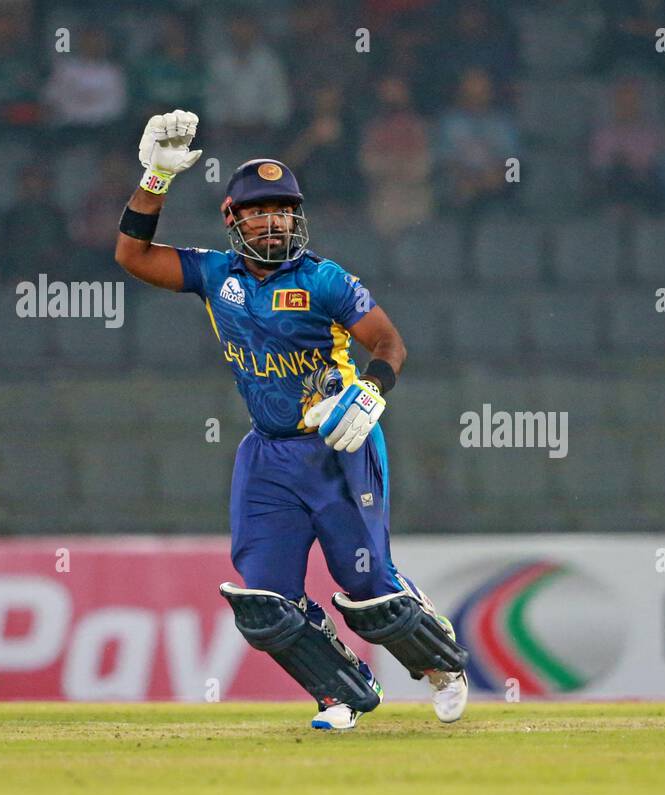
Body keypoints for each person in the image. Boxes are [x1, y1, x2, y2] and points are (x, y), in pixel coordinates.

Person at [114, 110, 468, 731]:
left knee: (370, 592)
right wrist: (156, 179)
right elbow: (132, 255)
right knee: (263, 604)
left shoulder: (325, 279)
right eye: (260, 210)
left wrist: (370, 394)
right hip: (269, 455)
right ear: (233, 219)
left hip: (339, 444)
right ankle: (343, 694)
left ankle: (442, 664)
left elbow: (389, 345)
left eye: (283, 210)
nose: (274, 220)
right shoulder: (213, 274)